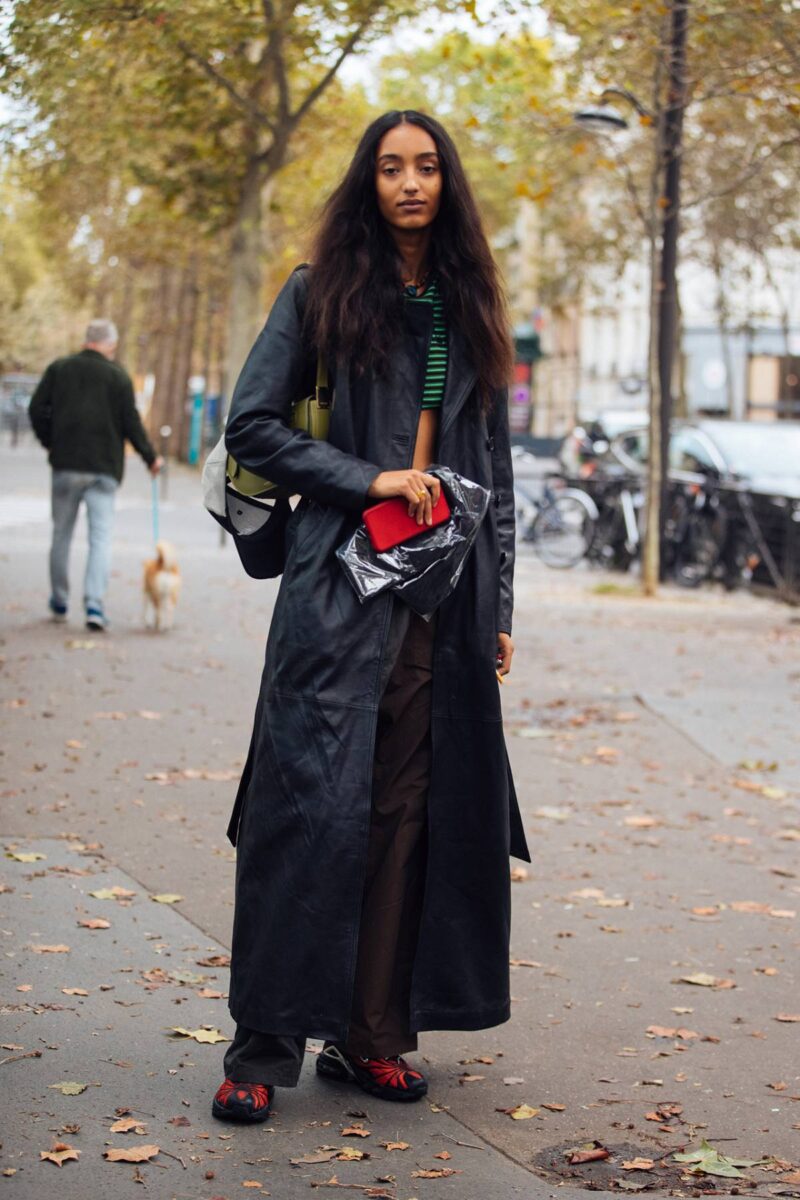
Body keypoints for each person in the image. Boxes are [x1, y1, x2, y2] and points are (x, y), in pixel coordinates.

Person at [212, 110, 530, 1124]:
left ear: (446, 184)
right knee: (302, 812)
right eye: (389, 167)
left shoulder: (469, 307)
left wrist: (499, 609)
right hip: (334, 593)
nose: (407, 183)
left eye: (425, 166)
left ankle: (371, 1034)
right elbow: (252, 425)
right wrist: (367, 477)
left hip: (439, 601)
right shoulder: (318, 294)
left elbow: (495, 474)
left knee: (404, 822)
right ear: (367, 183)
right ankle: (261, 1047)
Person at [28, 319, 163, 631]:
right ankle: (94, 605)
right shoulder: (118, 377)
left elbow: (36, 410)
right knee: (100, 538)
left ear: (86, 340)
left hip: (65, 465)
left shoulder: (58, 369)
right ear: (111, 345)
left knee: (61, 534)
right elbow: (131, 422)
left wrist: (52, 441)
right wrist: (150, 458)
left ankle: (59, 600)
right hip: (104, 469)